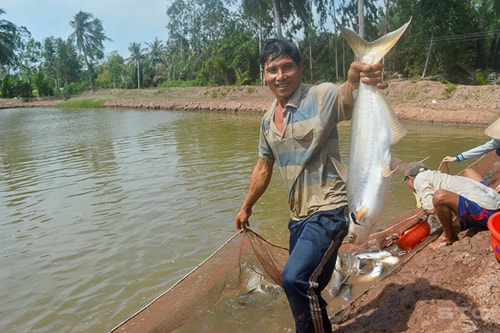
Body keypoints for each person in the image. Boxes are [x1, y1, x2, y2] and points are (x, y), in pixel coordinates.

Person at [234, 39, 387, 333]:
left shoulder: (320, 96)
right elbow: (263, 167)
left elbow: (348, 96)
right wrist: (246, 207)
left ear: (301, 67)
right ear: (263, 75)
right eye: (272, 69)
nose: (280, 76)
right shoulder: (267, 121)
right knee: (309, 285)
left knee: (296, 280)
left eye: (287, 67)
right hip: (298, 219)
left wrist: (360, 80)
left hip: (330, 210)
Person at [402, 163, 500, 250]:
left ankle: (447, 236)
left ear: (410, 178)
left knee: (439, 196)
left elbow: (430, 209)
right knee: (468, 171)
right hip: (495, 203)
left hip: (486, 215)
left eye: (406, 181)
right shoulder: (437, 176)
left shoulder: (419, 180)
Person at [442, 117, 500, 191]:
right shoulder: (498, 141)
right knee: (468, 171)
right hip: (487, 191)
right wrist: (457, 158)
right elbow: (483, 148)